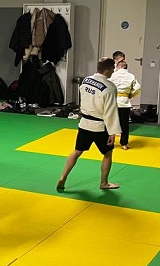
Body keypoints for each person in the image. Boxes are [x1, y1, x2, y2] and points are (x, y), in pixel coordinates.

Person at [56, 57, 122, 191]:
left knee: (77, 151)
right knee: (108, 154)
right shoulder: (109, 87)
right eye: (112, 69)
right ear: (107, 70)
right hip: (100, 127)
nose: (113, 72)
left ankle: (63, 177)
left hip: (84, 123)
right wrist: (113, 132)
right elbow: (111, 112)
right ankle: (104, 183)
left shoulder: (86, 80)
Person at [109, 58, 141, 150]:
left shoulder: (113, 75)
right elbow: (137, 87)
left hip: (113, 102)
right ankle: (124, 144)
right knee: (124, 124)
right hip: (125, 102)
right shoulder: (131, 76)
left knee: (110, 123)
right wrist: (131, 95)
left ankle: (109, 141)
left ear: (117, 66)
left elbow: (107, 85)